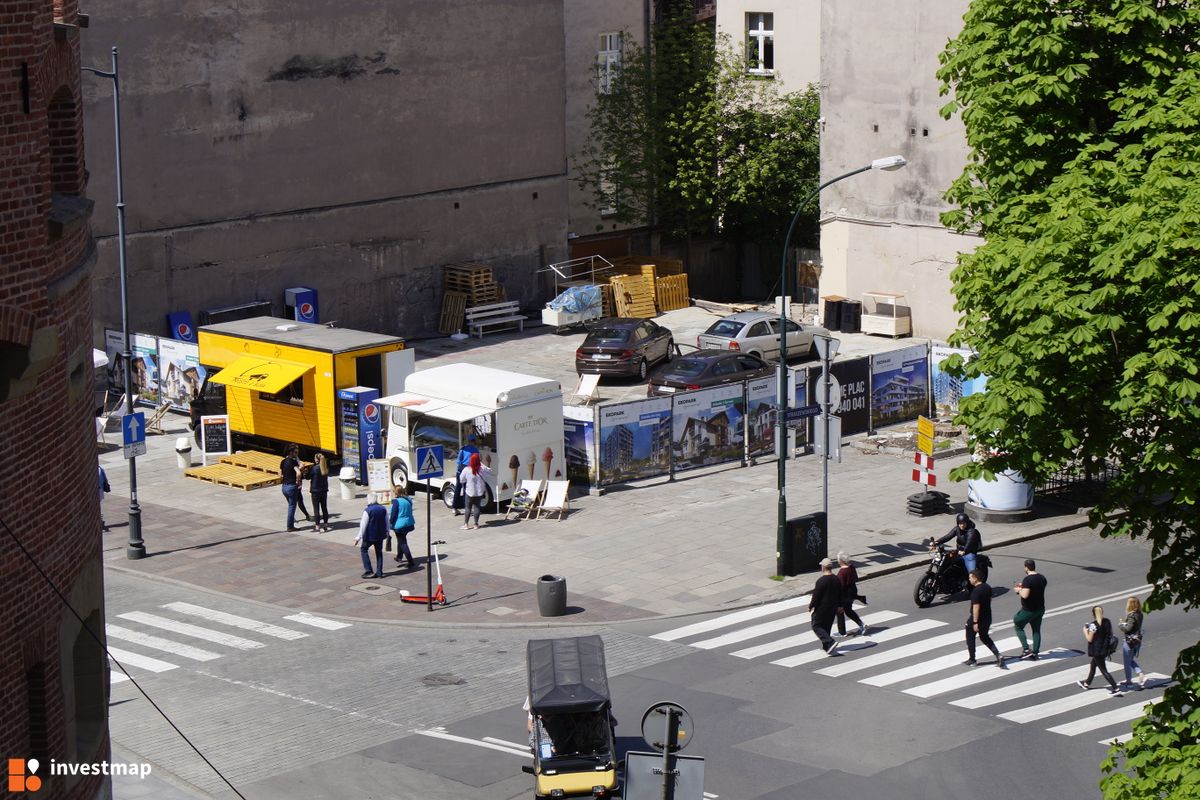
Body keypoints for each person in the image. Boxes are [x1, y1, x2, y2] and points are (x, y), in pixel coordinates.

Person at [1077, 605, 1122, 695]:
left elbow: (1090, 639)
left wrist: (1085, 631)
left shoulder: (1093, 625)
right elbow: (1110, 633)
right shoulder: (1107, 622)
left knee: (1103, 670)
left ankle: (1116, 688)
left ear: (1093, 614)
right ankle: (1086, 683)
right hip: (1105, 649)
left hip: (1097, 651)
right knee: (1093, 665)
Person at [964, 570, 1004, 668]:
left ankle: (972, 659)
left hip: (977, 619)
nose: (969, 579)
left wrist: (975, 622)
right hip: (987, 617)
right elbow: (989, 600)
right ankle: (998, 655)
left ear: (975, 578)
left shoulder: (976, 591)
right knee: (984, 637)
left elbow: (976, 607)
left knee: (970, 638)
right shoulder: (987, 587)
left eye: (970, 577)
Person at [1011, 558, 1047, 660]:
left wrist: (1018, 590)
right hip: (1040, 608)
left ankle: (1026, 650)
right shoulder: (1042, 578)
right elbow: (1036, 589)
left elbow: (1025, 595)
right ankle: (1035, 653)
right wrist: (1024, 588)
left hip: (1028, 610)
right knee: (1036, 630)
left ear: (1026, 567)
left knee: (1018, 624)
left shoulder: (1027, 579)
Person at [809, 558, 842, 656]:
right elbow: (840, 593)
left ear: (823, 567)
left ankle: (830, 642)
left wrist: (811, 606)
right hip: (832, 607)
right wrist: (840, 605)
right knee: (826, 626)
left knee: (816, 626)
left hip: (822, 608)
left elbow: (816, 596)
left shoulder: (821, 581)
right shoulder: (836, 579)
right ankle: (827, 647)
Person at [355, 492, 390, 579]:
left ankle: (369, 570)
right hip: (380, 534)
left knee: (364, 549)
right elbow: (387, 521)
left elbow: (363, 525)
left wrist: (358, 537)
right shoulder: (383, 509)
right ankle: (379, 572)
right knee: (379, 552)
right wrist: (388, 531)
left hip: (370, 535)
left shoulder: (367, 510)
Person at [835, 551, 867, 637]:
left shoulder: (842, 572)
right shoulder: (852, 567)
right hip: (852, 592)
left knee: (840, 611)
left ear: (841, 560)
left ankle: (842, 632)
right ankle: (861, 624)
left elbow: (839, 587)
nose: (837, 561)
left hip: (844, 595)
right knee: (848, 610)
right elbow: (856, 578)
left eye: (838, 559)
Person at [1118, 596, 1147, 690]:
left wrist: (1121, 626)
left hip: (1130, 641)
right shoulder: (1140, 614)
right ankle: (1140, 674)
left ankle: (1129, 681)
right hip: (1137, 640)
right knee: (1130, 660)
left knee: (1127, 662)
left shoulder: (1132, 616)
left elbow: (1128, 629)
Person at [458, 451, 492, 530]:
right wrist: (488, 462)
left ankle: (466, 524)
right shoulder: (482, 469)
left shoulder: (466, 469)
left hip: (470, 492)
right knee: (477, 508)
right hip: (479, 492)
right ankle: (476, 524)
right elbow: (489, 472)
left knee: (468, 508)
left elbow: (461, 480)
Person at [389, 485, 419, 570]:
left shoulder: (396, 501)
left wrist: (390, 523)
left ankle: (410, 561)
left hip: (399, 525)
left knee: (402, 542)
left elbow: (393, 515)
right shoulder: (408, 500)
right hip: (409, 523)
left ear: (396, 492)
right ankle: (399, 556)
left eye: (394, 491)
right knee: (401, 539)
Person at [452, 434, 480, 516]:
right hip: (468, 470)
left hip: (460, 470)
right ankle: (466, 508)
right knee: (466, 490)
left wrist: (459, 470)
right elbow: (477, 462)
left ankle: (454, 508)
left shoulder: (463, 449)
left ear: (468, 441)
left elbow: (459, 460)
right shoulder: (475, 450)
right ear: (474, 441)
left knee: (458, 488)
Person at [279, 444, 305, 531]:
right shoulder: (293, 462)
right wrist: (298, 481)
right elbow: (298, 473)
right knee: (292, 506)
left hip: (284, 487)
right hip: (292, 487)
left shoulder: (283, 461)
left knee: (291, 505)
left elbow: (280, 474)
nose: (297, 454)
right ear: (291, 452)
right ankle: (290, 526)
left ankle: (292, 522)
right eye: (295, 452)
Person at [309, 453, 331, 532]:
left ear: (317, 460)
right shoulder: (325, 468)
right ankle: (325, 525)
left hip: (315, 491)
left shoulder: (314, 468)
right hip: (324, 490)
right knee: (324, 507)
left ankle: (317, 526)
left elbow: (308, 477)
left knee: (316, 509)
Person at [98, 465, 111, 531]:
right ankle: (100, 520)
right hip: (100, 490)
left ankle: (100, 520)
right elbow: (105, 479)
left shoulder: (99, 469)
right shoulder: (100, 468)